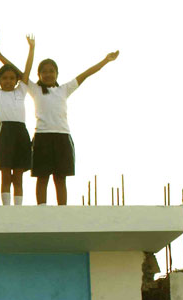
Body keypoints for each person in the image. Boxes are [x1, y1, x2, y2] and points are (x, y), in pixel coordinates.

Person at [28, 51, 119, 205]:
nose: (48, 74)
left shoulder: (64, 89)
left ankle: (62, 209)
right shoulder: (35, 89)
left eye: (51, 71)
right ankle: (41, 208)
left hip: (62, 137)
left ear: (57, 74)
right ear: (39, 74)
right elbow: (18, 72)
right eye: (44, 71)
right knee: (42, 176)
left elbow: (85, 74)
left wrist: (105, 60)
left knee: (60, 177)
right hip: (42, 137)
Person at [0, 32, 35, 205]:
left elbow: (26, 71)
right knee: (6, 172)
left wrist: (31, 49)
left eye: (11, 78)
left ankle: (18, 207)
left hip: (21, 131)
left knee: (19, 173)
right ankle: (6, 206)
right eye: (4, 78)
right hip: (5, 131)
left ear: (16, 81)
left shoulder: (20, 91)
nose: (8, 81)